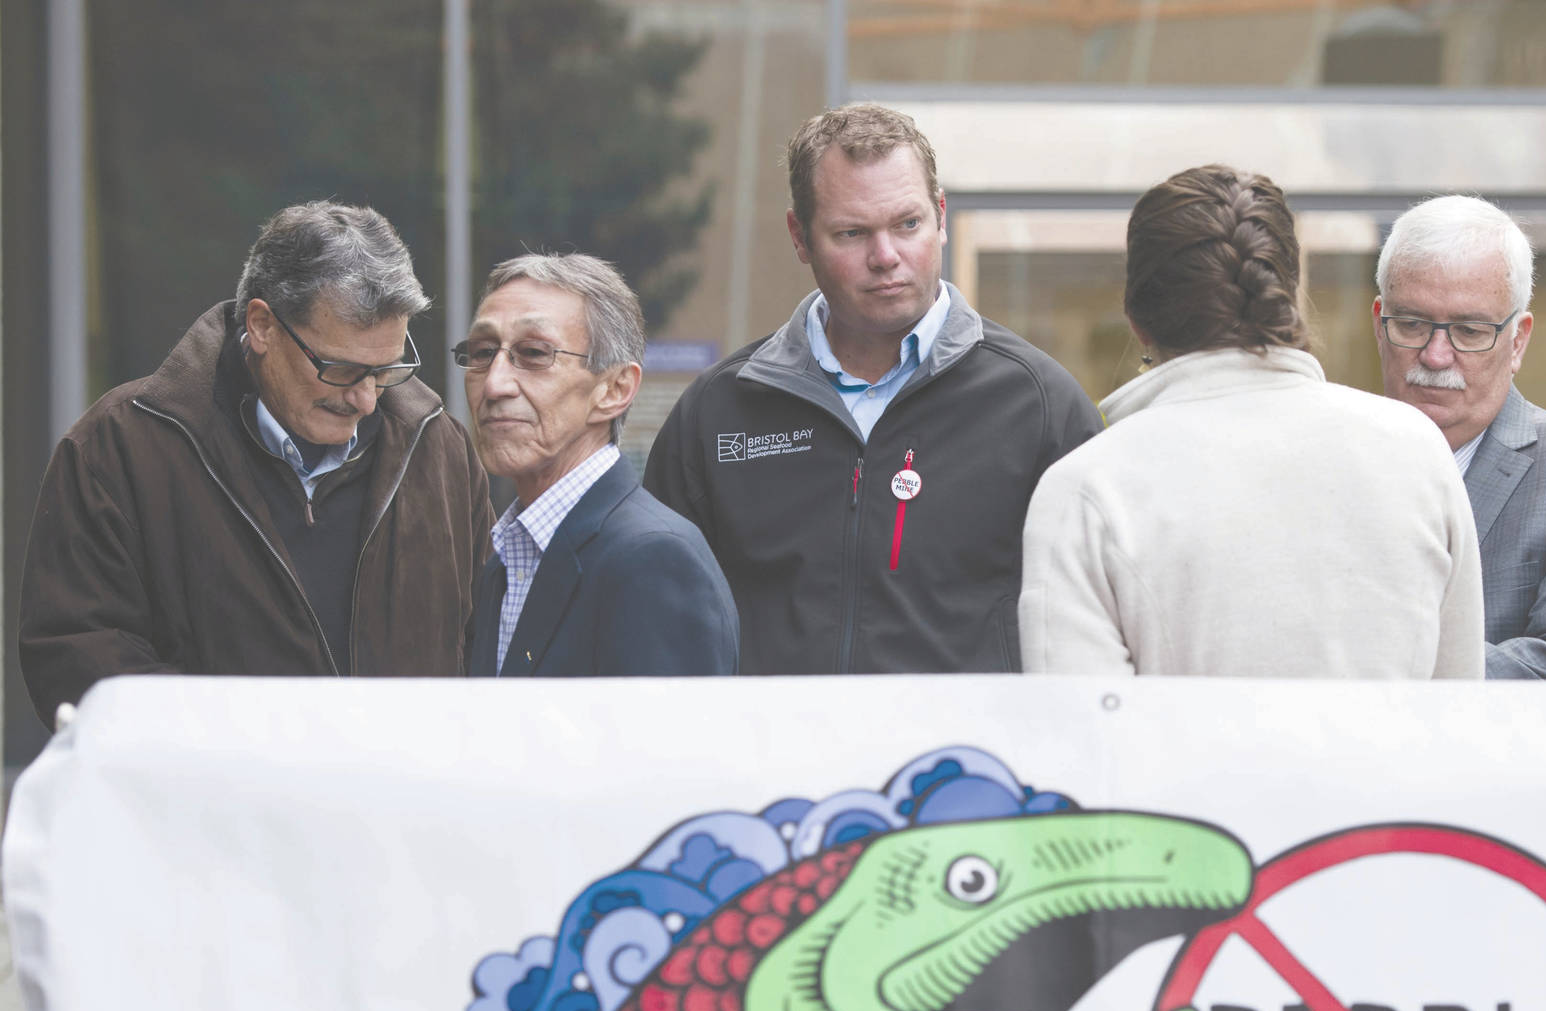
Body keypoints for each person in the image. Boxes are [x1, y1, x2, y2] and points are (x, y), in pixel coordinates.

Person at [642, 103, 1100, 674]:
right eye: (852, 233)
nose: (886, 258)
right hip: (773, 758)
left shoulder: (1039, 405)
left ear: (940, 216)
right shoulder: (719, 412)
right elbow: (662, 624)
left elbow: (1091, 631)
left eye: (908, 225)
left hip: (956, 762)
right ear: (799, 237)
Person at [18, 201, 492, 725]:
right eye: (341, 369)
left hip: (404, 803)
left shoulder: (439, 448)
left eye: (385, 372)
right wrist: (264, 749)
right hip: (213, 804)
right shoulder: (119, 447)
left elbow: (488, 653)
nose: (365, 400)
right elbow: (77, 660)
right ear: (262, 325)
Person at [1019, 164, 1482, 678]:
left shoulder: (1086, 490)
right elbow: (1459, 709)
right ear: (1291, 300)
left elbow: (1079, 733)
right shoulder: (1416, 450)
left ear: (1136, 320)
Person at [1375, 195, 1546, 680]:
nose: (1436, 355)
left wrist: (1367, 662)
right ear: (1378, 323)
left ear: (1518, 340)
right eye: (1412, 324)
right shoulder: (1330, 460)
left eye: (1468, 330)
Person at [462, 254, 737, 678]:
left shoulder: (655, 559)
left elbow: (676, 743)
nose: (495, 384)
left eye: (534, 353)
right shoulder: (507, 559)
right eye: (482, 352)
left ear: (614, 389)